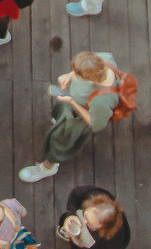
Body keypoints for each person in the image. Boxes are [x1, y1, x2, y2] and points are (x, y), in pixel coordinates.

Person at [20, 50, 127, 185]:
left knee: (60, 142)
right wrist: (68, 77)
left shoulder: (101, 100)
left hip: (77, 119)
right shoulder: (103, 58)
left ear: (92, 80)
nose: (75, 75)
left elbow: (96, 124)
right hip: (68, 105)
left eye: (78, 75)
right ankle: (58, 121)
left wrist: (72, 102)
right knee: (58, 119)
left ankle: (48, 167)